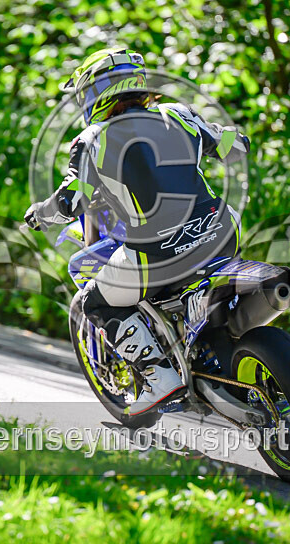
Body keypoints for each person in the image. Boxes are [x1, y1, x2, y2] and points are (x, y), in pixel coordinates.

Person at [25, 47, 249, 415]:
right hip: (222, 231)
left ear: (96, 94)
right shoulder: (180, 115)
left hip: (159, 253)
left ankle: (160, 378)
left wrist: (40, 213)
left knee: (93, 301)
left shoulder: (91, 139)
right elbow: (235, 146)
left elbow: (69, 202)